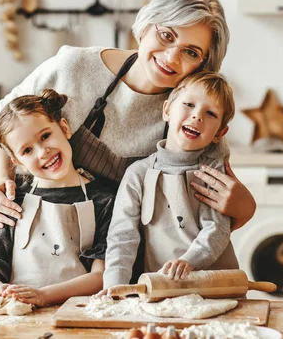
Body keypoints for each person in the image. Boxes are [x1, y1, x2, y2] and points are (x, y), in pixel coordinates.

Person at [0, 0, 256, 240]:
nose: (172, 57)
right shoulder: (76, 67)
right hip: (45, 238)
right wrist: (2, 184)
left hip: (130, 261)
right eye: (166, 35)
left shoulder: (194, 114)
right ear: (146, 26)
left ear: (203, 65)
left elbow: (212, 217)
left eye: (191, 52)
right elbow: (3, 120)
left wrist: (245, 209)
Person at [0, 90, 115, 307]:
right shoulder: (13, 202)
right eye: (27, 150)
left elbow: (101, 277)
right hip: (21, 316)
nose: (42, 152)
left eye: (45, 136)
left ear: (64, 128)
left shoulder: (105, 200)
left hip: (78, 314)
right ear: (16, 161)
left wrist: (43, 296)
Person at [103, 72, 240, 289]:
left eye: (211, 113)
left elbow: (217, 229)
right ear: (167, 110)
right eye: (188, 104)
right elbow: (122, 237)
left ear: (219, 133)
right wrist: (113, 287)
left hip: (216, 286)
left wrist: (189, 261)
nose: (197, 116)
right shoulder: (137, 174)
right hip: (161, 286)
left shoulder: (213, 172)